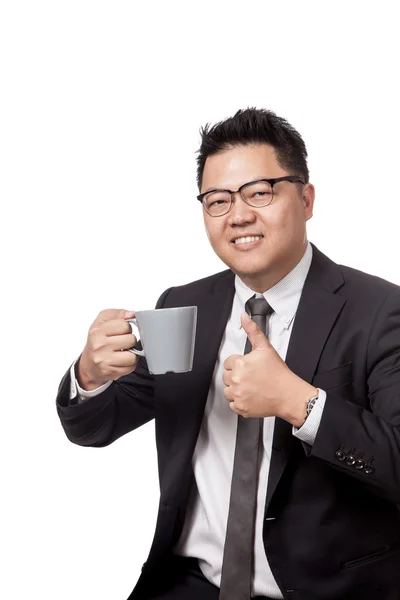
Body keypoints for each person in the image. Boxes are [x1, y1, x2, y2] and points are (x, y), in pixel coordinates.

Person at [56, 108, 400, 600]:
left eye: (259, 193)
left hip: (329, 588)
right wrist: (89, 375)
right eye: (217, 200)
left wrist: (300, 405)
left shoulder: (382, 311)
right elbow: (92, 430)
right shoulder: (182, 306)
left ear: (305, 199)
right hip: (192, 584)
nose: (238, 215)